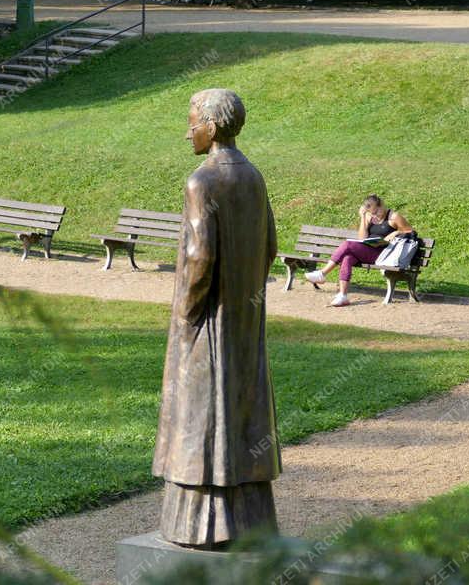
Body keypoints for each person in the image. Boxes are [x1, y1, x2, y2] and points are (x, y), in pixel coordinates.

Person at [152, 89, 280, 548]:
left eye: (192, 121)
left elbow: (199, 256)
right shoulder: (253, 176)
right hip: (244, 318)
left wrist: (187, 315)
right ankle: (249, 519)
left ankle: (200, 526)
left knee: (202, 414)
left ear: (212, 125)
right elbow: (269, 246)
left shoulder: (201, 182)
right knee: (241, 407)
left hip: (207, 321)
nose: (188, 130)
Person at [304, 195, 414, 306]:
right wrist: (363, 217)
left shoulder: (393, 217)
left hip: (384, 253)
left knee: (347, 244)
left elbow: (410, 230)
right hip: (369, 249)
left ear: (382, 205)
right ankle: (343, 296)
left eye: (376, 212)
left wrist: (395, 232)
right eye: (372, 213)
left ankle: (323, 273)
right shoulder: (368, 216)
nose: (374, 215)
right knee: (347, 258)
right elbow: (362, 238)